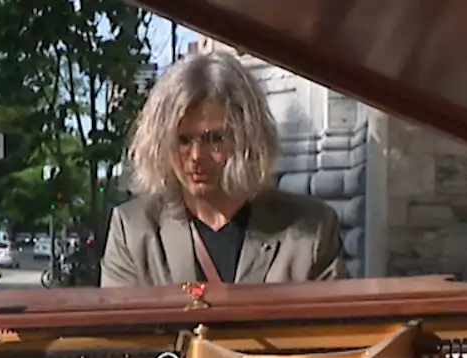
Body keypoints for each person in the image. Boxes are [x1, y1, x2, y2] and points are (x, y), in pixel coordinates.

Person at [101, 51, 346, 287]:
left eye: (213, 138)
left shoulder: (311, 230)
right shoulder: (133, 230)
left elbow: (341, 327)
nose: (196, 156)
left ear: (247, 137)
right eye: (183, 140)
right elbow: (118, 327)